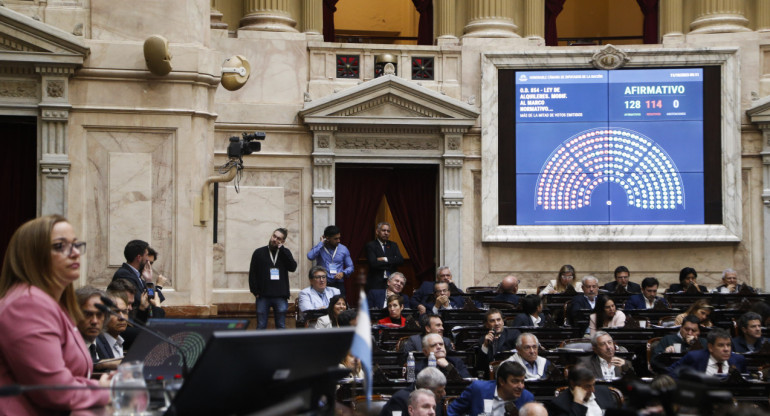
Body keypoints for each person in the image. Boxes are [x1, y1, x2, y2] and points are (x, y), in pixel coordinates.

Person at [0, 215, 110, 413]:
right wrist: (106, 391)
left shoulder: (55, 305)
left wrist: (102, 383)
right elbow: (54, 391)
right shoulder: (27, 305)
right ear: (32, 256)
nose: (75, 253)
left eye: (76, 245)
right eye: (60, 246)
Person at [248, 228, 298, 329]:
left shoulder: (284, 253)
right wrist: (255, 292)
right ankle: (259, 345)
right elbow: (252, 273)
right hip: (263, 296)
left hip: (280, 296)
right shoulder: (259, 252)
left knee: (281, 325)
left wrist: (283, 250)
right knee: (261, 325)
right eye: (274, 236)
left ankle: (281, 345)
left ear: (282, 241)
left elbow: (293, 267)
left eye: (278, 238)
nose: (275, 239)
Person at [447, 361, 534, 416]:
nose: (520, 386)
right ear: (502, 381)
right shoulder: (478, 389)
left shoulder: (527, 398)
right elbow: (452, 411)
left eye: (522, 381)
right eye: (515, 381)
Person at [112, 240, 161, 323]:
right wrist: (154, 285)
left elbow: (151, 297)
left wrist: (148, 280)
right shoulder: (124, 274)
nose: (147, 260)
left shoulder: (136, 275)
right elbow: (144, 301)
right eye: (146, 256)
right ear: (139, 257)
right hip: (129, 324)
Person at [667, 328, 747, 376]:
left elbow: (747, 380)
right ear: (710, 347)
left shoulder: (739, 360)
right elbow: (670, 372)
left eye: (728, 345)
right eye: (721, 345)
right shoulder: (694, 357)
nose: (726, 349)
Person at [546, 365, 618, 416]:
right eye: (588, 386)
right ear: (573, 384)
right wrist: (578, 403)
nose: (593, 390)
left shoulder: (604, 392)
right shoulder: (559, 404)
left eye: (593, 384)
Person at [306, 225, 353, 296]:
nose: (338, 241)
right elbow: (310, 256)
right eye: (335, 239)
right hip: (323, 284)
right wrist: (321, 243)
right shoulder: (320, 248)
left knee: (340, 305)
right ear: (327, 238)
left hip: (338, 284)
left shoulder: (343, 249)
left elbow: (351, 266)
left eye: (339, 238)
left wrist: (343, 273)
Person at [381, 367, 447, 416]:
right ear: (426, 390)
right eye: (439, 391)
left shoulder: (436, 400)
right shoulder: (400, 400)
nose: (444, 393)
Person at [476, 309, 521, 378]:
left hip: (511, 373)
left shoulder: (514, 334)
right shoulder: (483, 340)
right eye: (492, 321)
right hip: (490, 376)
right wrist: (485, 345)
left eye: (498, 320)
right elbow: (481, 367)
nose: (496, 323)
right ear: (487, 325)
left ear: (503, 321)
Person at [75, 286, 111, 365]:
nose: (94, 321)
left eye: (99, 315)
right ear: (75, 315)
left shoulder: (101, 339)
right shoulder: (68, 345)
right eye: (87, 314)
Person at [365, 222, 404, 292]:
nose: (386, 233)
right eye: (383, 230)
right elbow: (373, 264)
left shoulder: (393, 245)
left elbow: (400, 260)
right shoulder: (371, 245)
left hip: (392, 282)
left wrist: (385, 259)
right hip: (376, 282)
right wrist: (392, 262)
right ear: (377, 231)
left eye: (388, 231)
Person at [98, 293, 129, 359]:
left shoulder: (119, 341)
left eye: (124, 312)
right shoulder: (97, 345)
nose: (122, 317)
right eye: (115, 312)